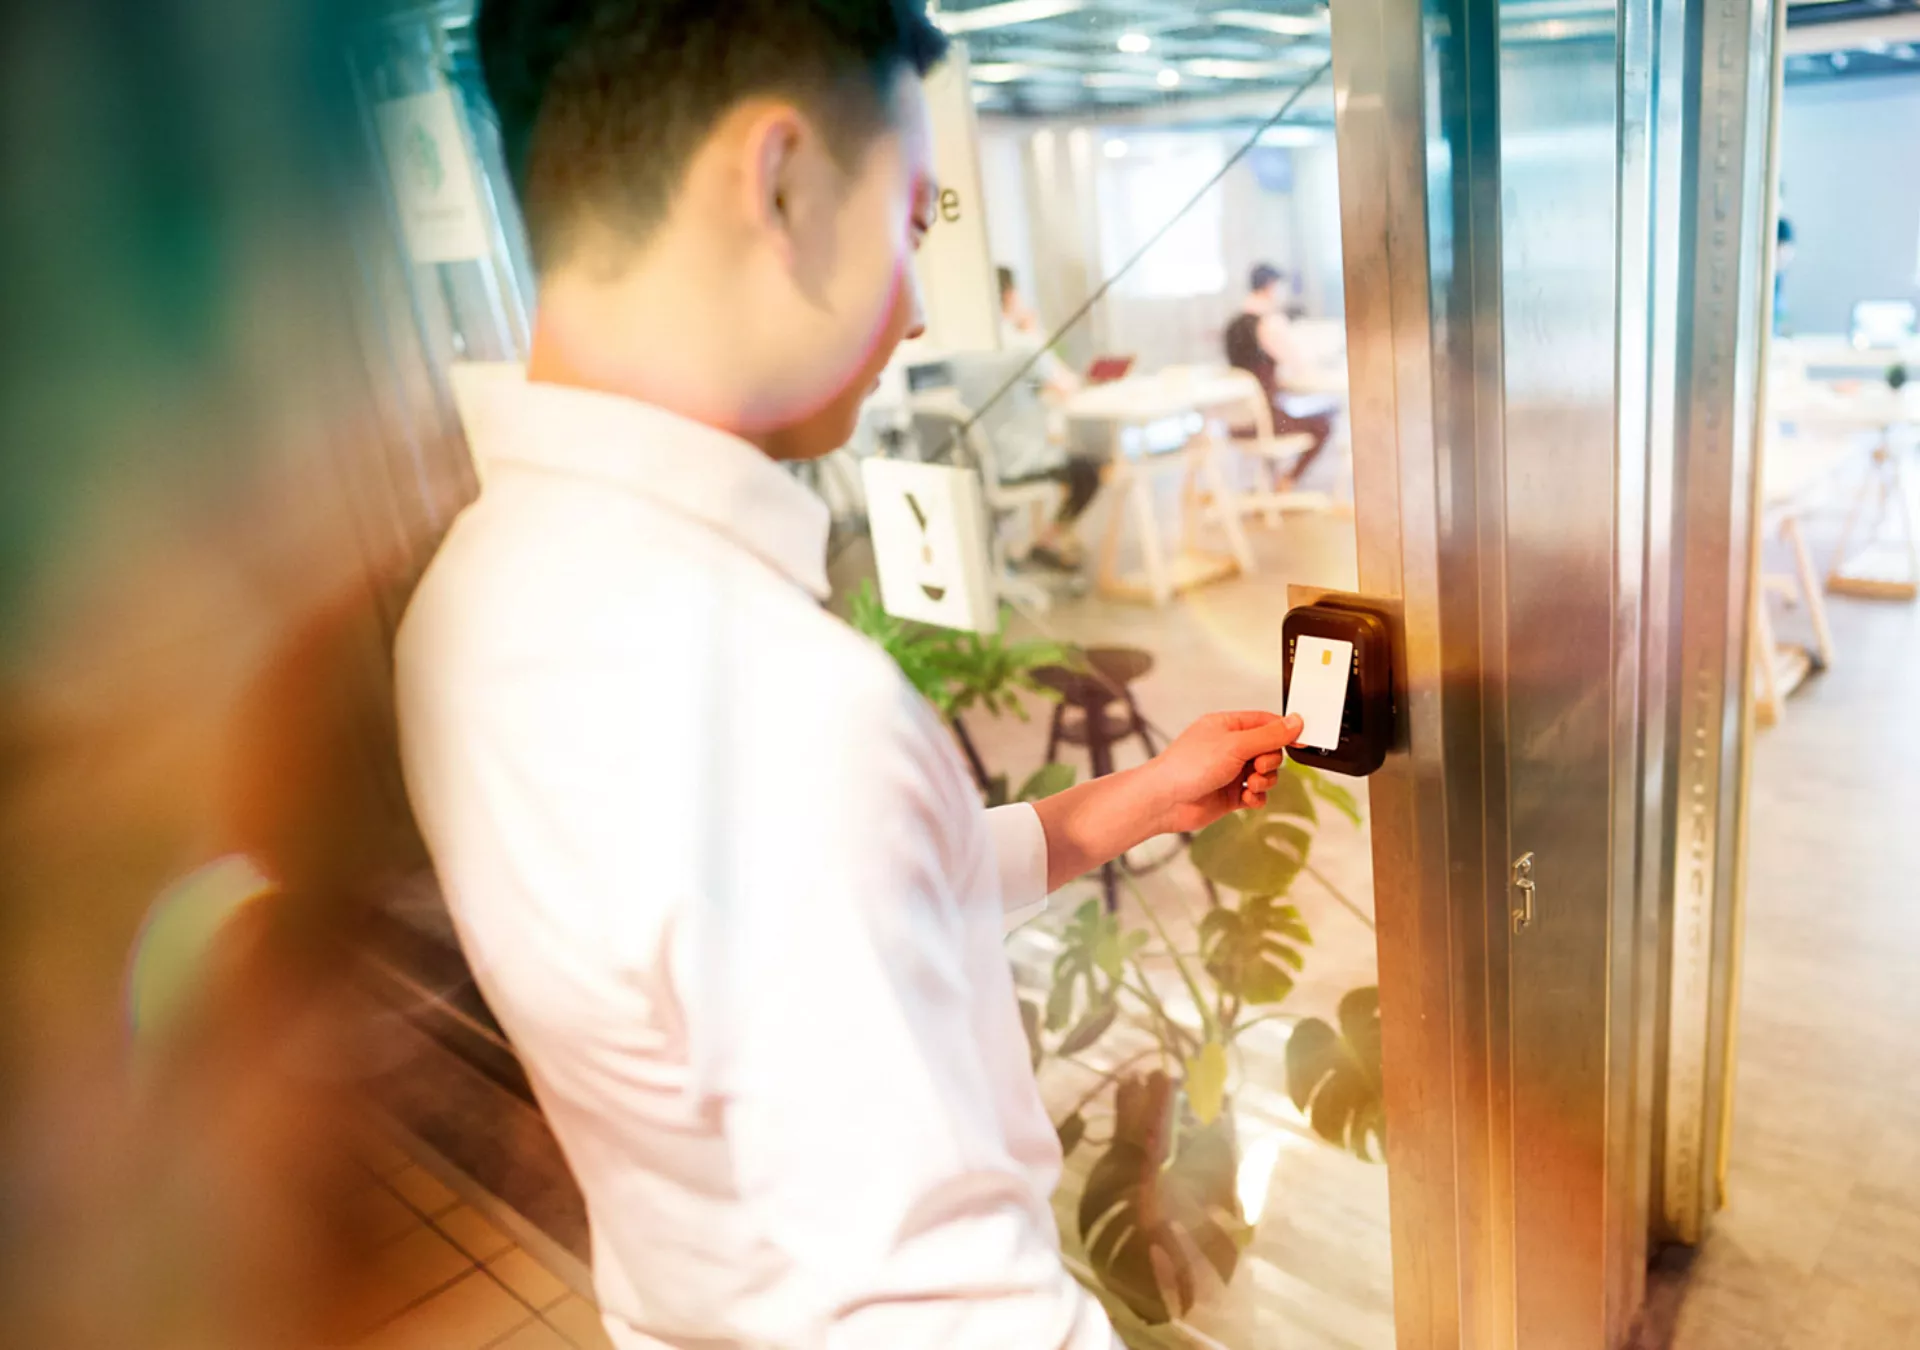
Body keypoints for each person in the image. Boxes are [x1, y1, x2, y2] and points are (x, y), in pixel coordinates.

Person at [395, 4, 1307, 1348]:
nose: (920, 298)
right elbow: (956, 1316)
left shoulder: (467, 597)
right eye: (915, 218)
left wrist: (1135, 800)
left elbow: (767, 935)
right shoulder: (777, 706)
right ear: (781, 184)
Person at [986, 265, 1100, 571]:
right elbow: (1068, 385)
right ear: (1010, 296)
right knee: (1090, 470)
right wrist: (1033, 333)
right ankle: (1049, 539)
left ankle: (1035, 543)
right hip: (1019, 463)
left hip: (980, 464)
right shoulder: (1021, 344)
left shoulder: (962, 346)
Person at [1223, 262, 1335, 489]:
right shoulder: (1269, 323)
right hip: (1265, 421)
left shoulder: (1233, 325)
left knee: (1297, 413)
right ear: (1271, 287)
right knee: (1324, 422)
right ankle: (1288, 480)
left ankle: (1276, 481)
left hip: (1239, 422)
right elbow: (1298, 363)